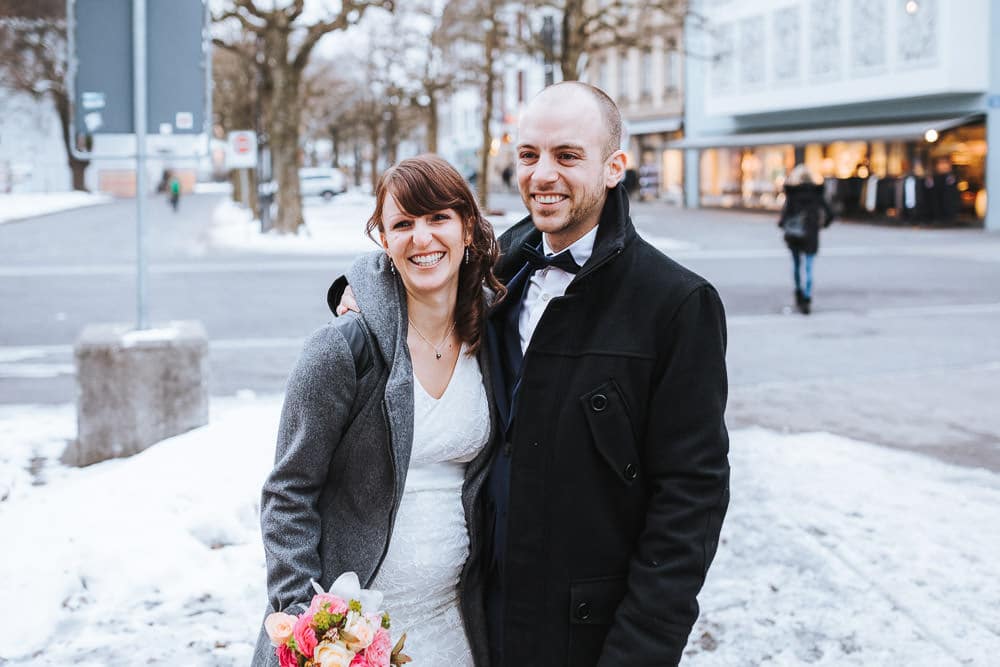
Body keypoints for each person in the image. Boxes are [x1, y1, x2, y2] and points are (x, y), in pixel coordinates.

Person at [334, 82, 729, 666]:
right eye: (528, 155)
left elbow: (691, 499)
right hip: (478, 618)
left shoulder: (676, 303)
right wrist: (356, 294)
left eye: (568, 155)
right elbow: (416, 257)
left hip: (589, 636)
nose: (543, 174)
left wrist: (639, 651)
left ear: (614, 167)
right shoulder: (498, 266)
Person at [252, 155, 504, 666]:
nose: (423, 238)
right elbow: (287, 493)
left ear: (468, 229)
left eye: (439, 218)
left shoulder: (496, 334)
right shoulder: (342, 351)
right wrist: (311, 628)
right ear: (383, 240)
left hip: (457, 626)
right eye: (403, 224)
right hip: (353, 635)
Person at [779, 164, 834, 314]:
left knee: (797, 266)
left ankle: (798, 292)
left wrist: (783, 225)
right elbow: (830, 213)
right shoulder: (817, 194)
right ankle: (807, 298)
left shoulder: (792, 194)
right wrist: (821, 225)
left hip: (795, 235)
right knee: (809, 267)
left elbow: (784, 216)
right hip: (811, 234)